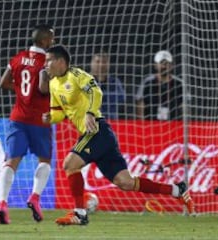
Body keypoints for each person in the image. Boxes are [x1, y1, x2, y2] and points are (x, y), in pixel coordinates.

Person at [42, 45, 195, 225]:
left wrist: (90, 112)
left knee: (70, 164)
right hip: (95, 135)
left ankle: (80, 213)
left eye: (48, 60)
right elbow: (59, 112)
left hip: (97, 130)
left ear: (60, 61)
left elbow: (96, 91)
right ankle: (178, 190)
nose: (45, 64)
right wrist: (50, 118)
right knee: (125, 182)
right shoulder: (53, 84)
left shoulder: (76, 75)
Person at [0, 24, 55, 224]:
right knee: (45, 161)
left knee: (11, 161)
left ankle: (2, 203)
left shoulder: (18, 58)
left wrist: (22, 91)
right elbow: (42, 88)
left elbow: (3, 82)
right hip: (39, 119)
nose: (53, 42)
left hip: (17, 118)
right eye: (51, 39)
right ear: (44, 41)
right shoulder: (45, 62)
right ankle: (35, 197)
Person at [136, 50, 183, 120]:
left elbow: (184, 105)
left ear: (172, 65)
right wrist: (142, 124)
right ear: (155, 65)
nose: (164, 66)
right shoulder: (147, 82)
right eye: (161, 63)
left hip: (174, 124)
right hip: (151, 124)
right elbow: (140, 103)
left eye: (167, 63)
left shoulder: (179, 83)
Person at [90, 51, 126, 119]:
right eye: (98, 62)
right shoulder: (84, 81)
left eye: (104, 62)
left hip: (112, 122)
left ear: (108, 64)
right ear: (92, 63)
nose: (101, 65)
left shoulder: (115, 82)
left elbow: (122, 101)